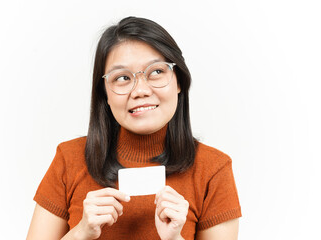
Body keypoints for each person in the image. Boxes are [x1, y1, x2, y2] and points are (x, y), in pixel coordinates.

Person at [27, 16, 241, 240]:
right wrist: (81, 232)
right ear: (105, 94)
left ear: (178, 81)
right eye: (122, 77)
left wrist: (175, 238)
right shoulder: (69, 159)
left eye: (157, 71)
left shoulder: (213, 169)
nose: (140, 90)